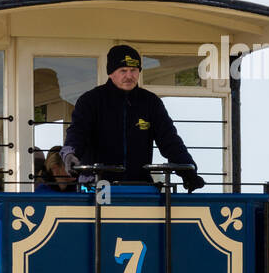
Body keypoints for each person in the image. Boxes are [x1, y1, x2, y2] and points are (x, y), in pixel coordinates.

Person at [60, 44, 205, 191]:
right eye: (123, 70)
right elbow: (78, 132)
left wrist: (189, 172)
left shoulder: (150, 102)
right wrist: (70, 154)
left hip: (139, 186)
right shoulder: (91, 100)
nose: (129, 76)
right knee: (104, 212)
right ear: (111, 73)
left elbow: (170, 141)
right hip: (97, 186)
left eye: (134, 70)